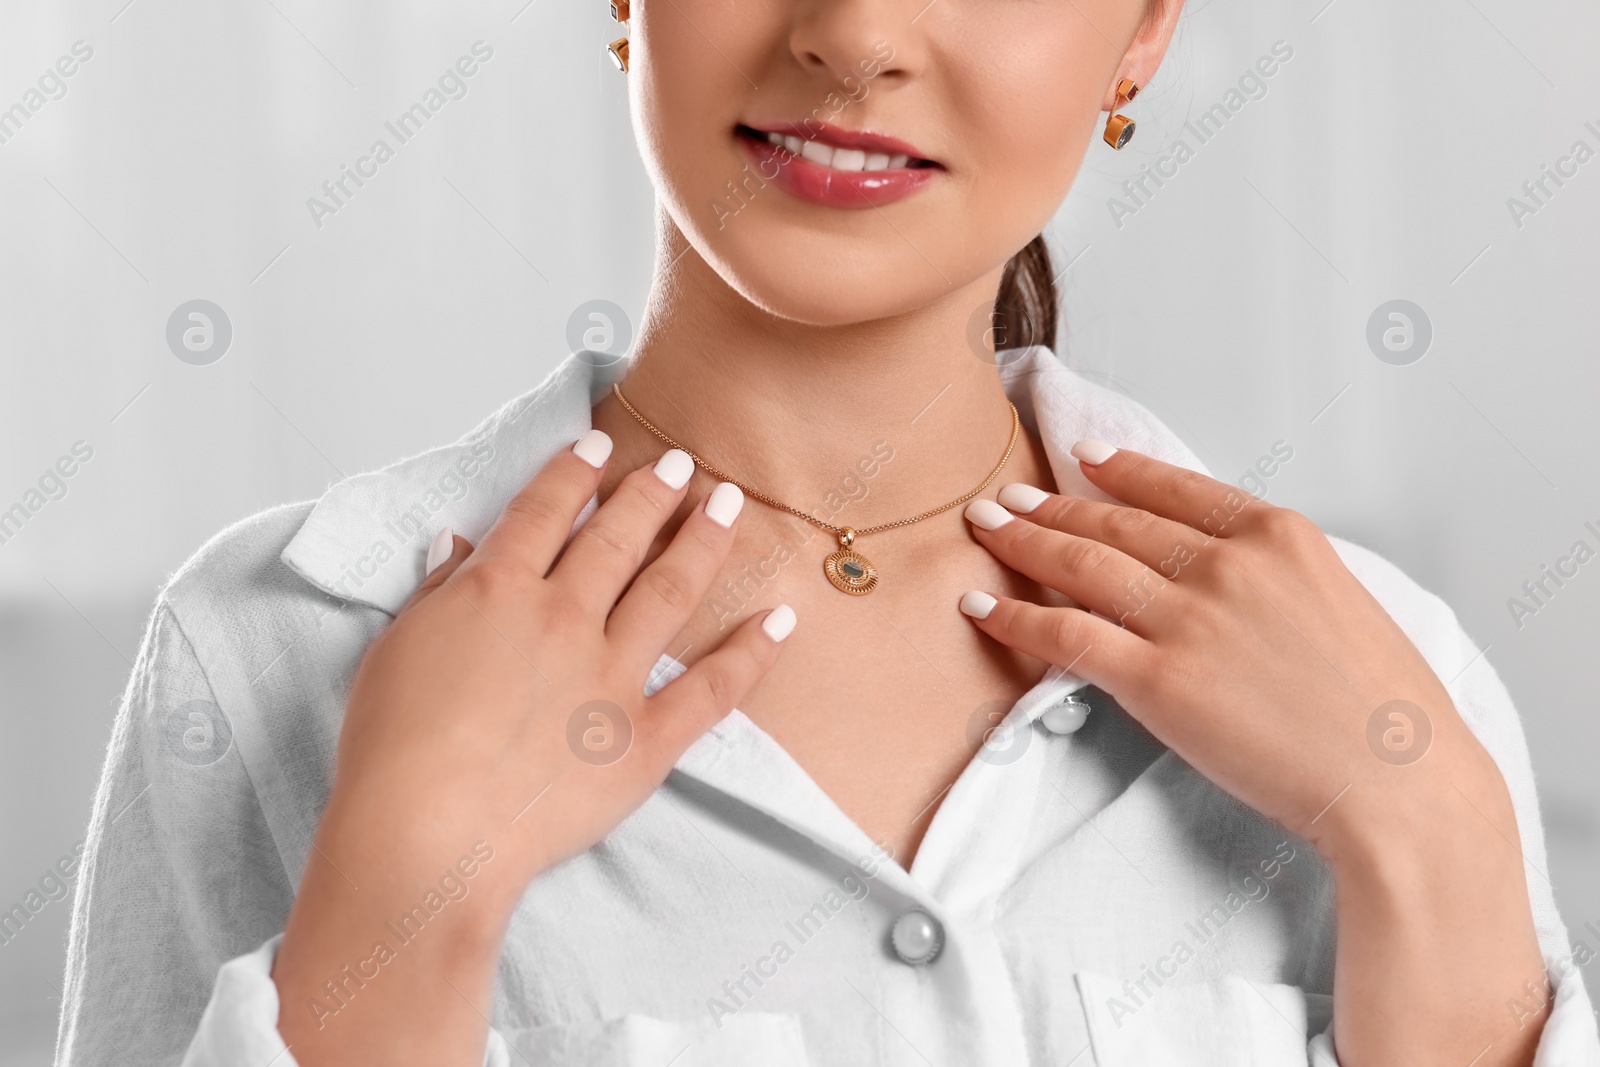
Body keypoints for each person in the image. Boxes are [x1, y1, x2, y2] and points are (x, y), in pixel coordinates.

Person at [57, 1, 1600, 1064]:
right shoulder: (276, 646)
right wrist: (406, 900)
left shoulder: (1396, 678)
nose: (853, 37)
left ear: (1143, 35)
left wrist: (1432, 837)